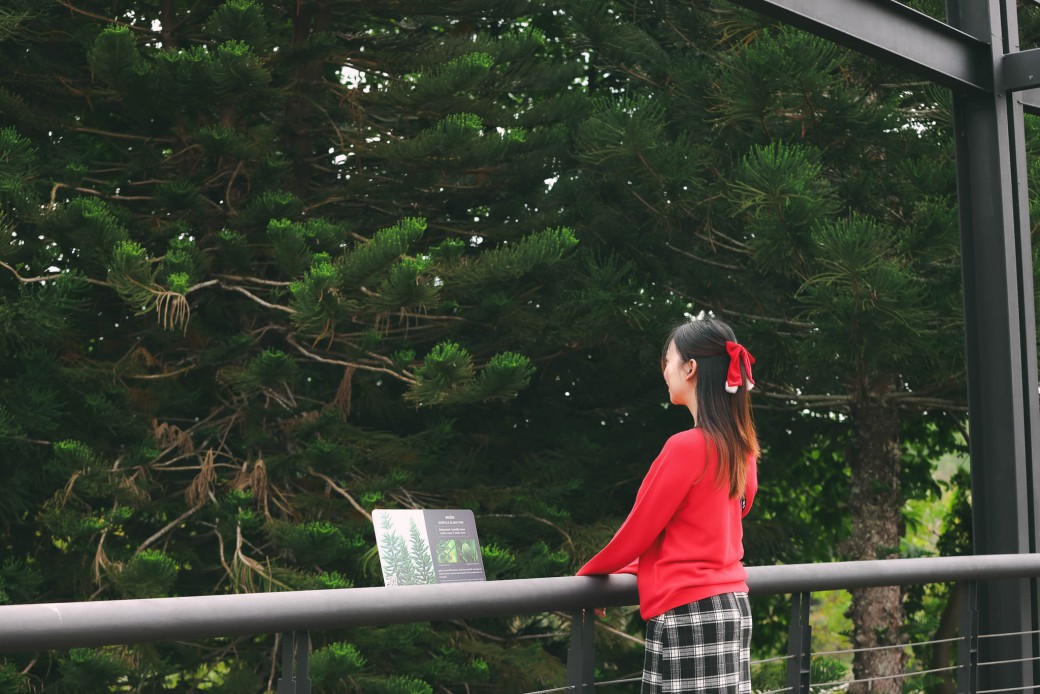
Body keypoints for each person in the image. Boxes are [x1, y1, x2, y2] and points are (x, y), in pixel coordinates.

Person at [577, 317, 759, 693]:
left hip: (689, 612)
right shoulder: (741, 448)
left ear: (690, 368)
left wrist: (589, 574)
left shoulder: (686, 447)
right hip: (732, 607)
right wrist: (634, 568)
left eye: (669, 360)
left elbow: (640, 529)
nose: (665, 371)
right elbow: (708, 528)